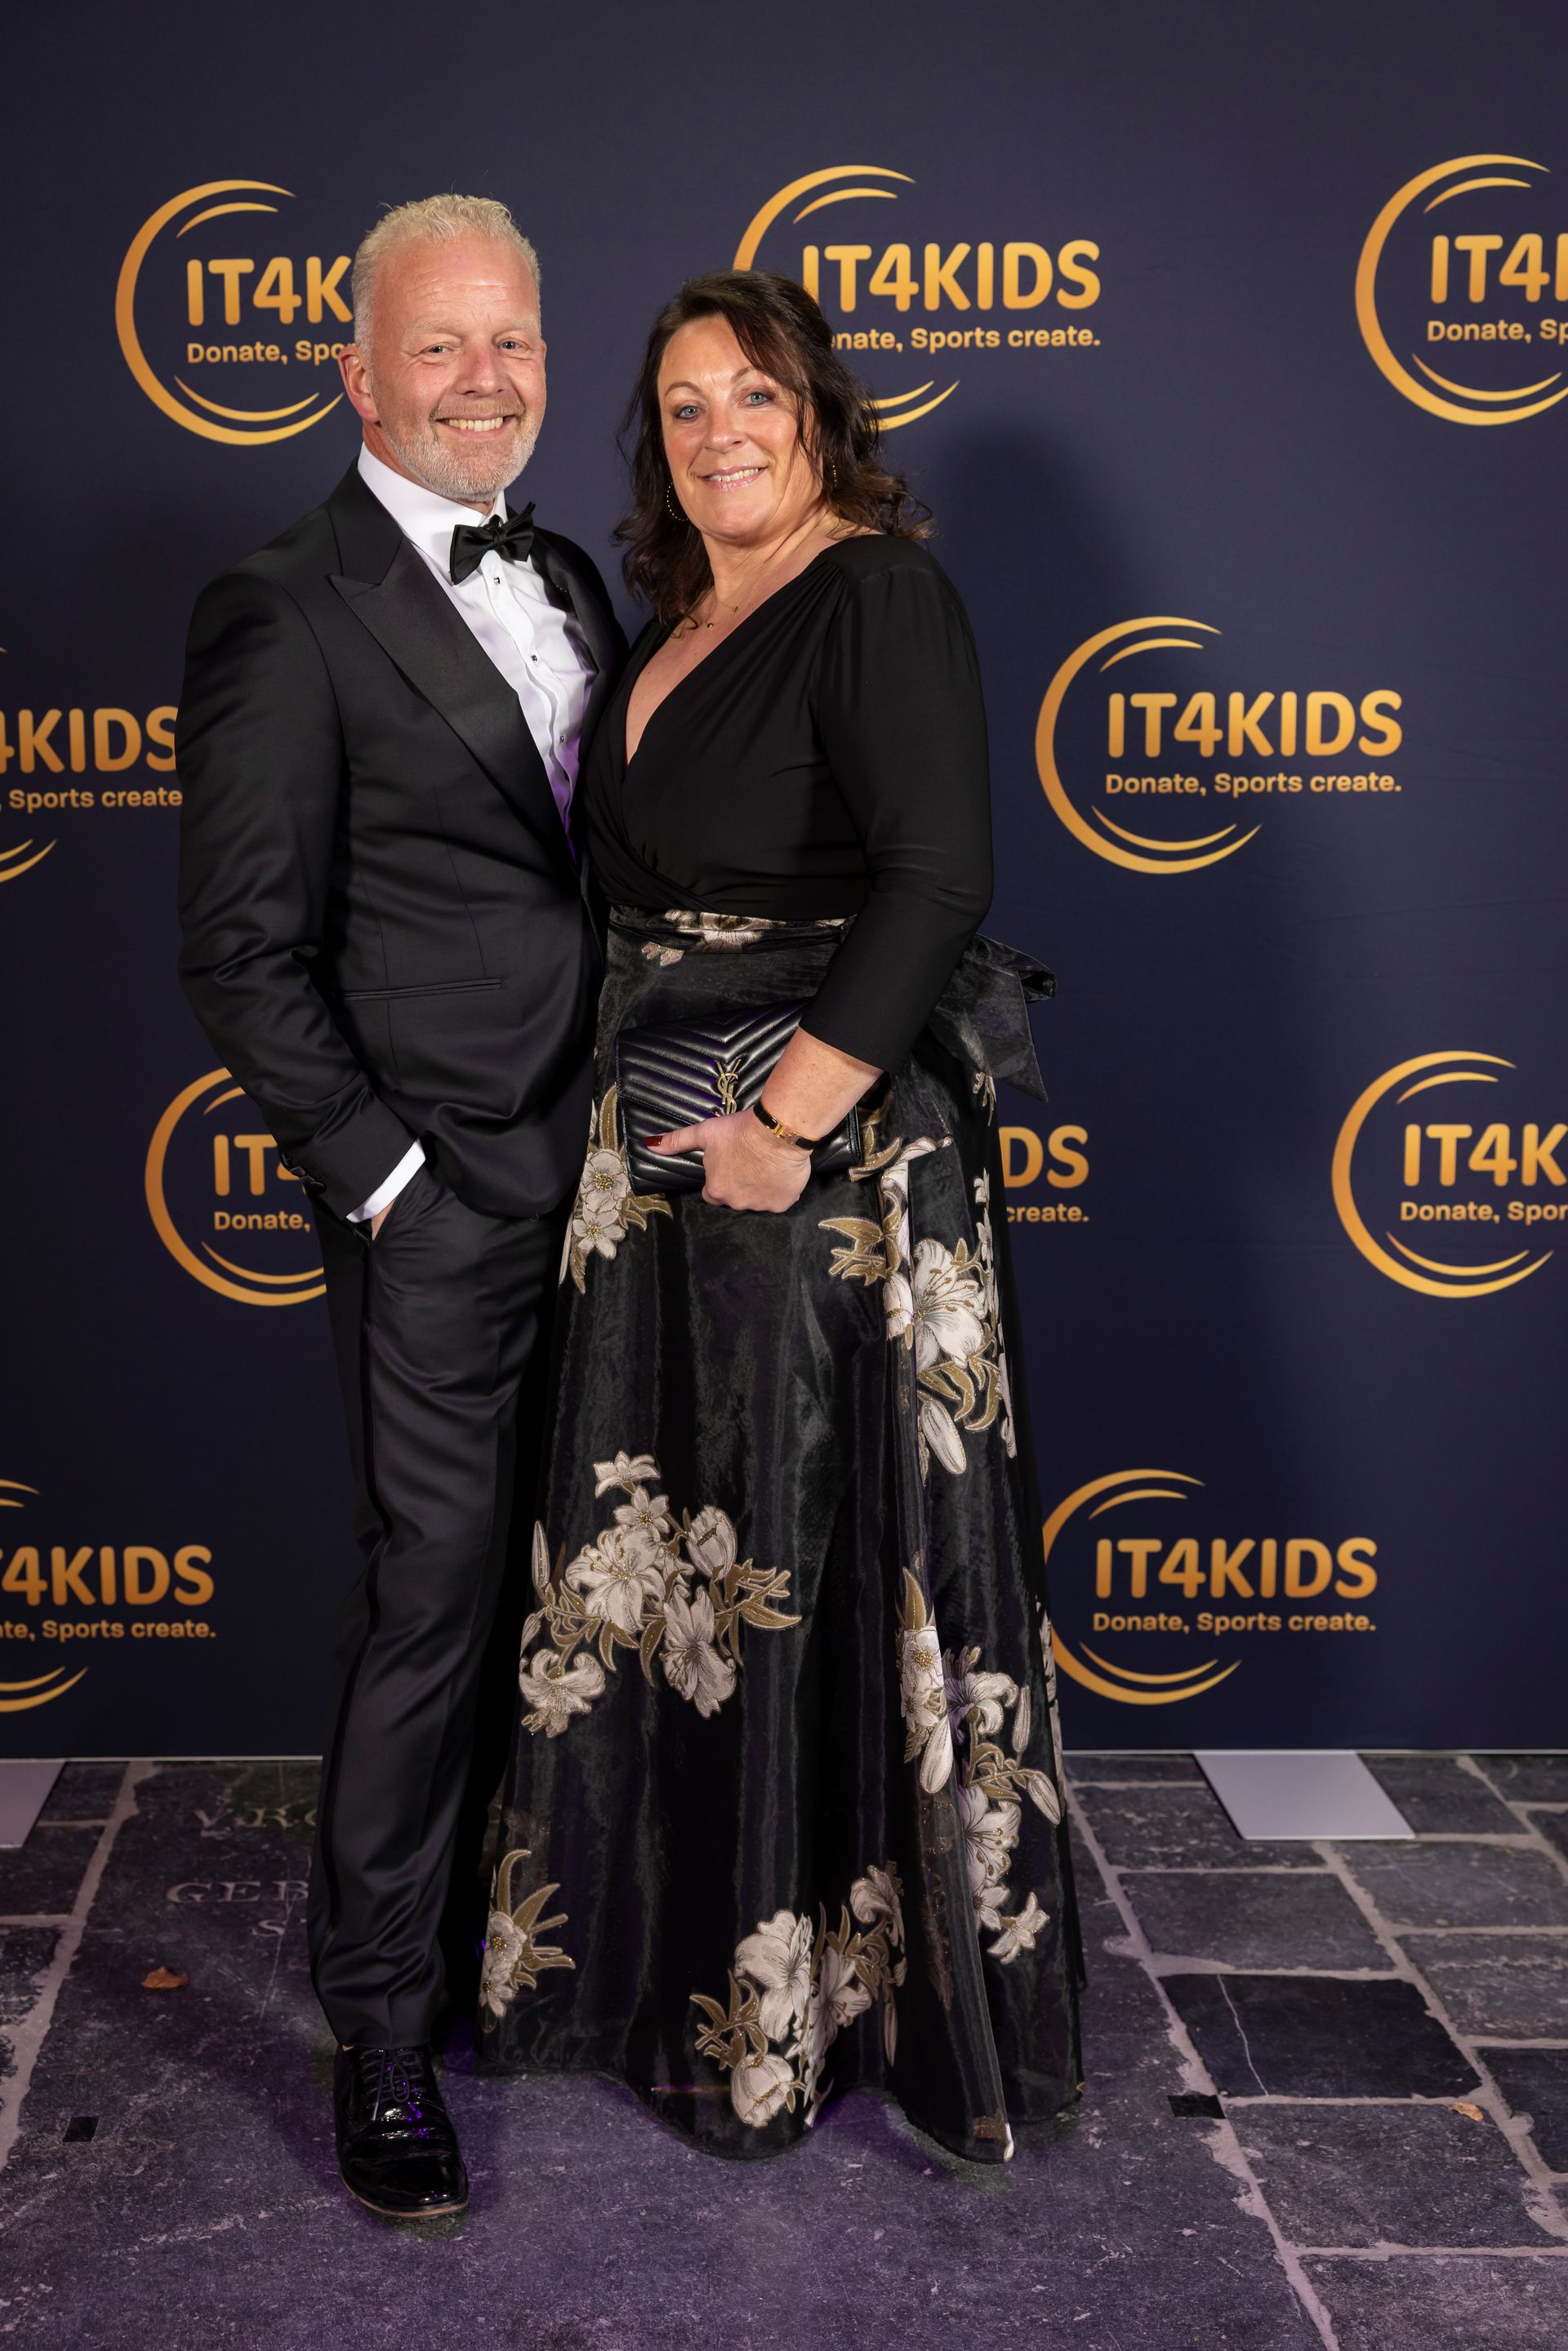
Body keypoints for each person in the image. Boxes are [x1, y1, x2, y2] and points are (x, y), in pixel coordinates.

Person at [476, 270, 1082, 2165]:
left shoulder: (878, 593)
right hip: (668, 1167)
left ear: (820, 410)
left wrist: (789, 1125)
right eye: (684, 406)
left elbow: (938, 874)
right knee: (696, 1575)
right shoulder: (675, 617)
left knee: (809, 1561)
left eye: (755, 394)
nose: (720, 430)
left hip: (816, 1177)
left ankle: (844, 2010)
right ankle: (680, 1969)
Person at [175, 194, 626, 2218]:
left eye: (510, 341)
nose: (482, 380)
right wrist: (388, 1180)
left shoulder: (574, 573)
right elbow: (239, 950)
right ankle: (379, 2031)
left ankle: (518, 1953)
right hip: (441, 1200)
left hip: (619, 1187)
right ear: (359, 372)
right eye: (439, 346)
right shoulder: (283, 604)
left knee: (579, 1591)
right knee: (433, 1604)